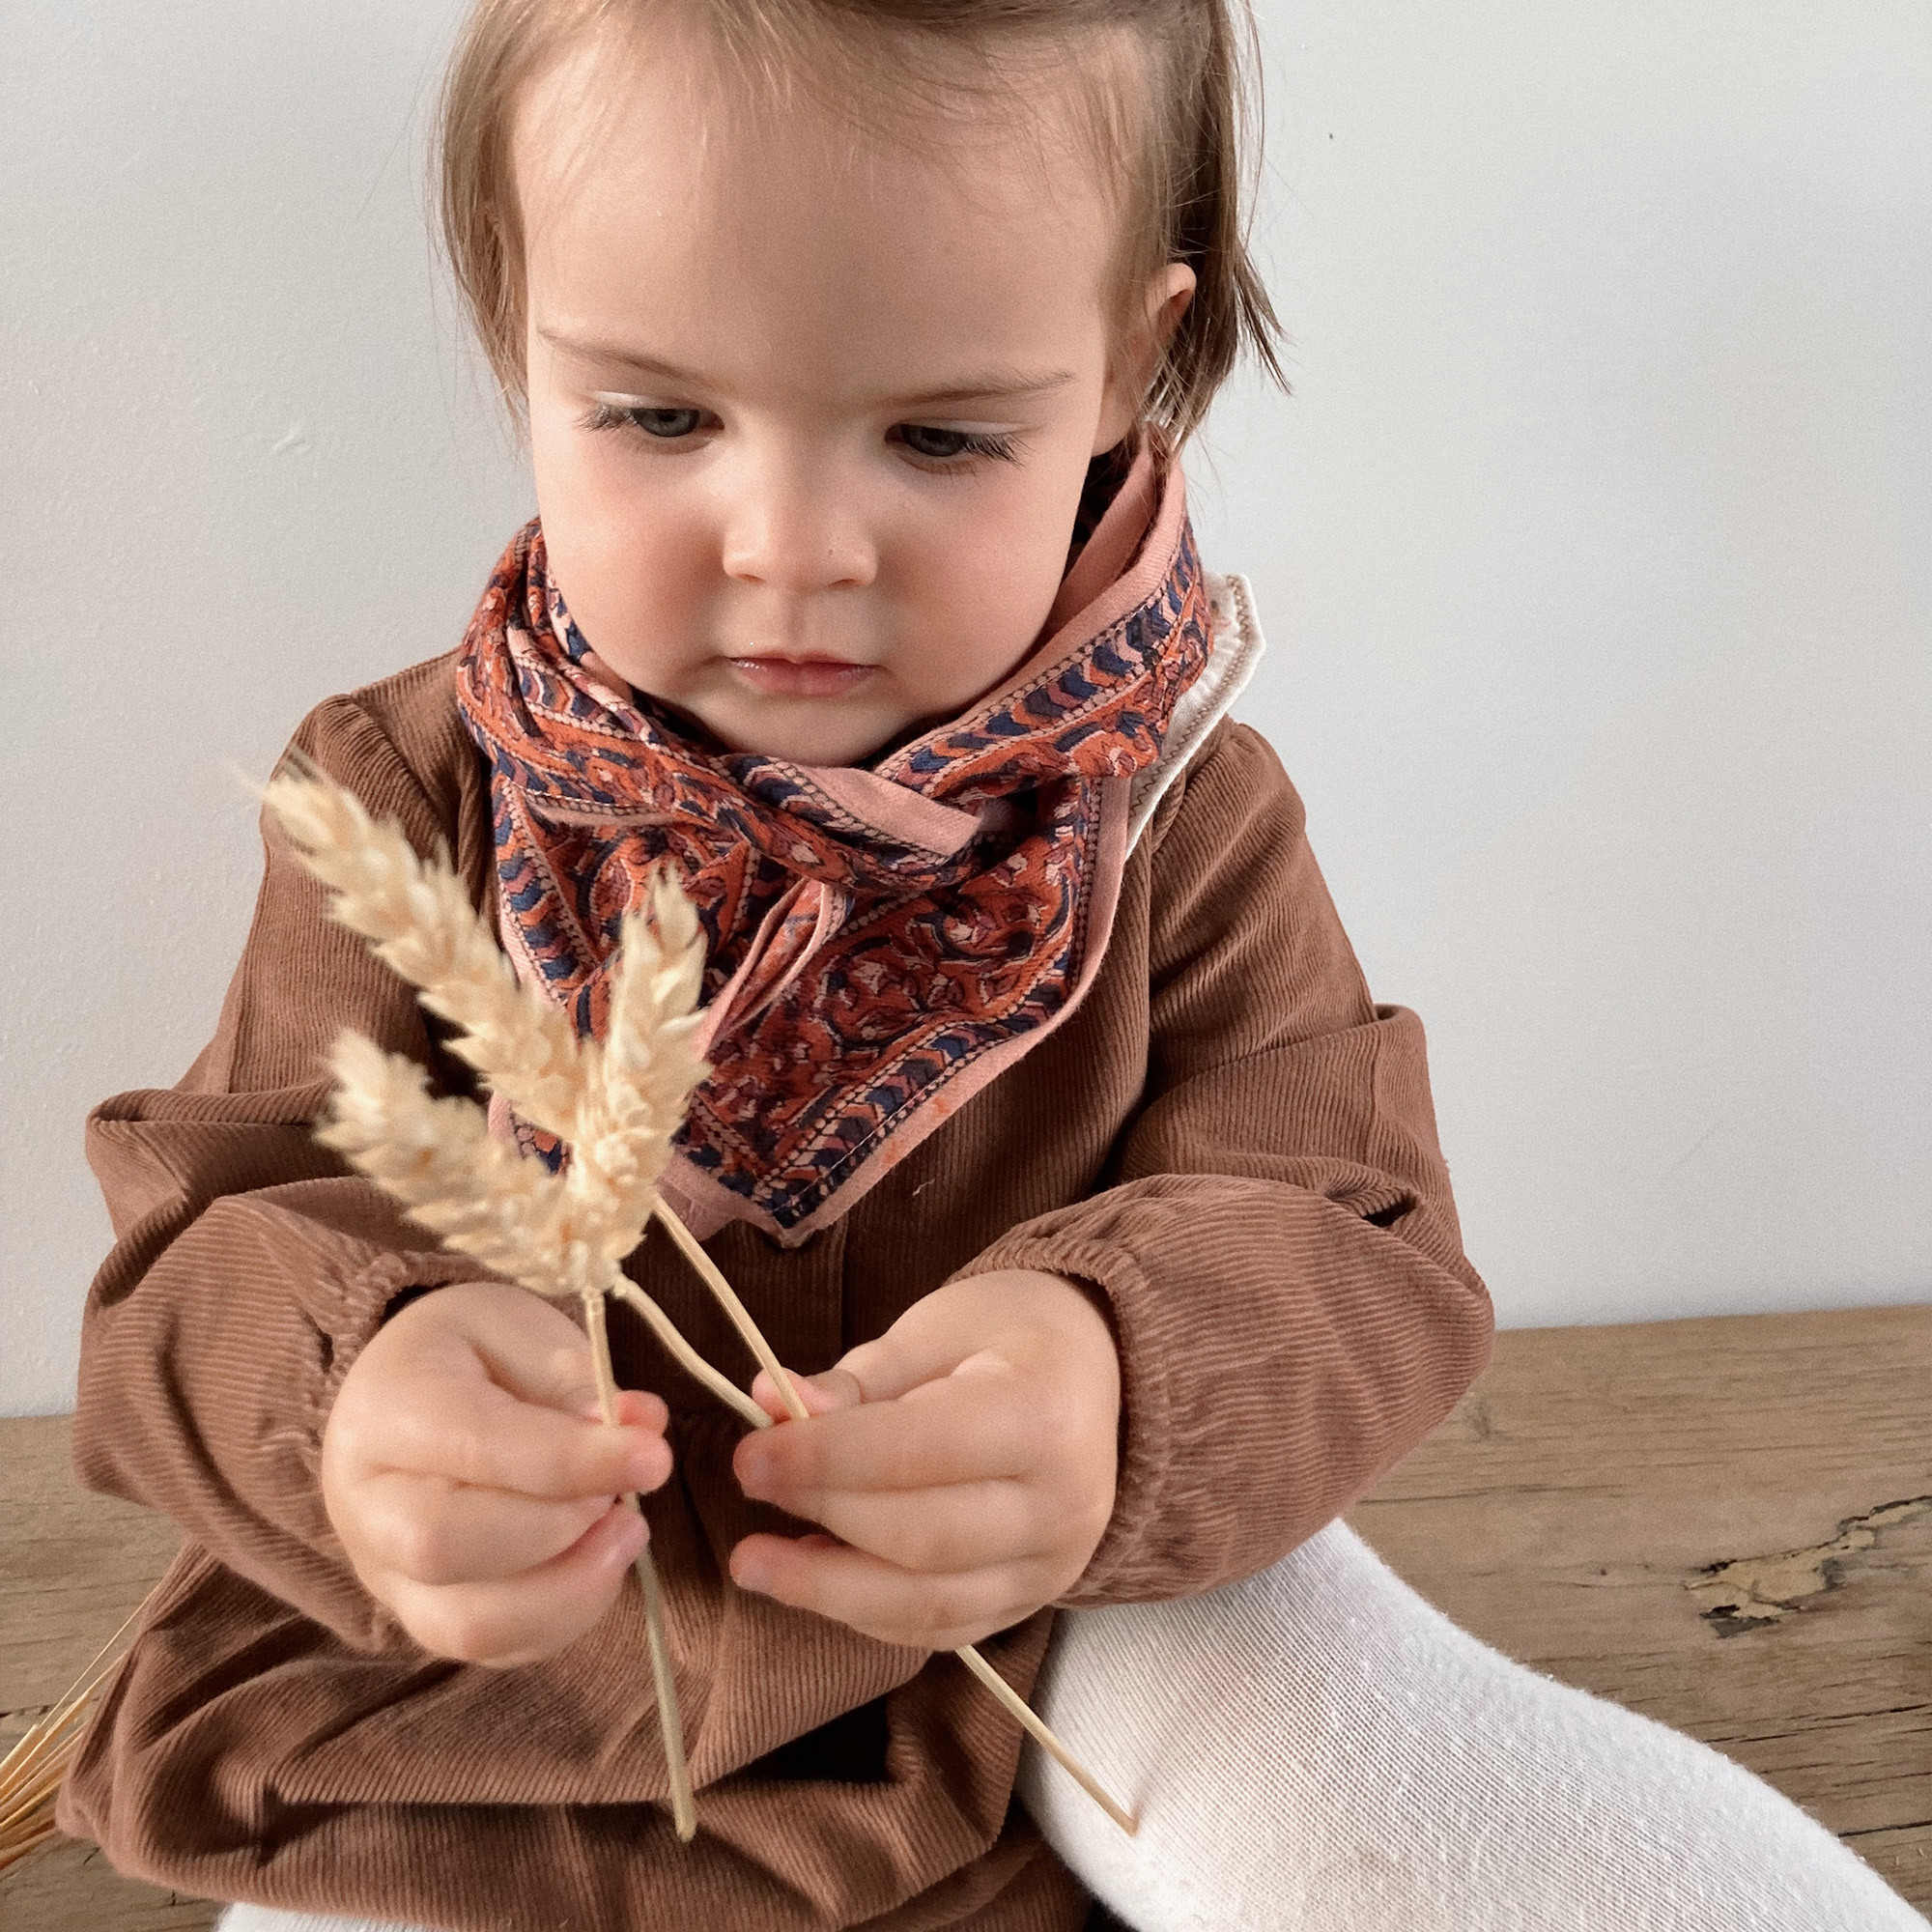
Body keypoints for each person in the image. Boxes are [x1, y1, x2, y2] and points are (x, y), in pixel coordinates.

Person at [58, 2, 1926, 1929]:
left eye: (942, 435)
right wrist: (353, 1400)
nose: (790, 547)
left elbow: (1349, 1226)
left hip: (1067, 1617)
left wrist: (1123, 1380)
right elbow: (197, 1250)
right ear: (518, 334)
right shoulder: (405, 797)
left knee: (1348, 1765)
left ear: (1139, 357)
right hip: (503, 1663)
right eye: (657, 417)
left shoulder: (1173, 800)